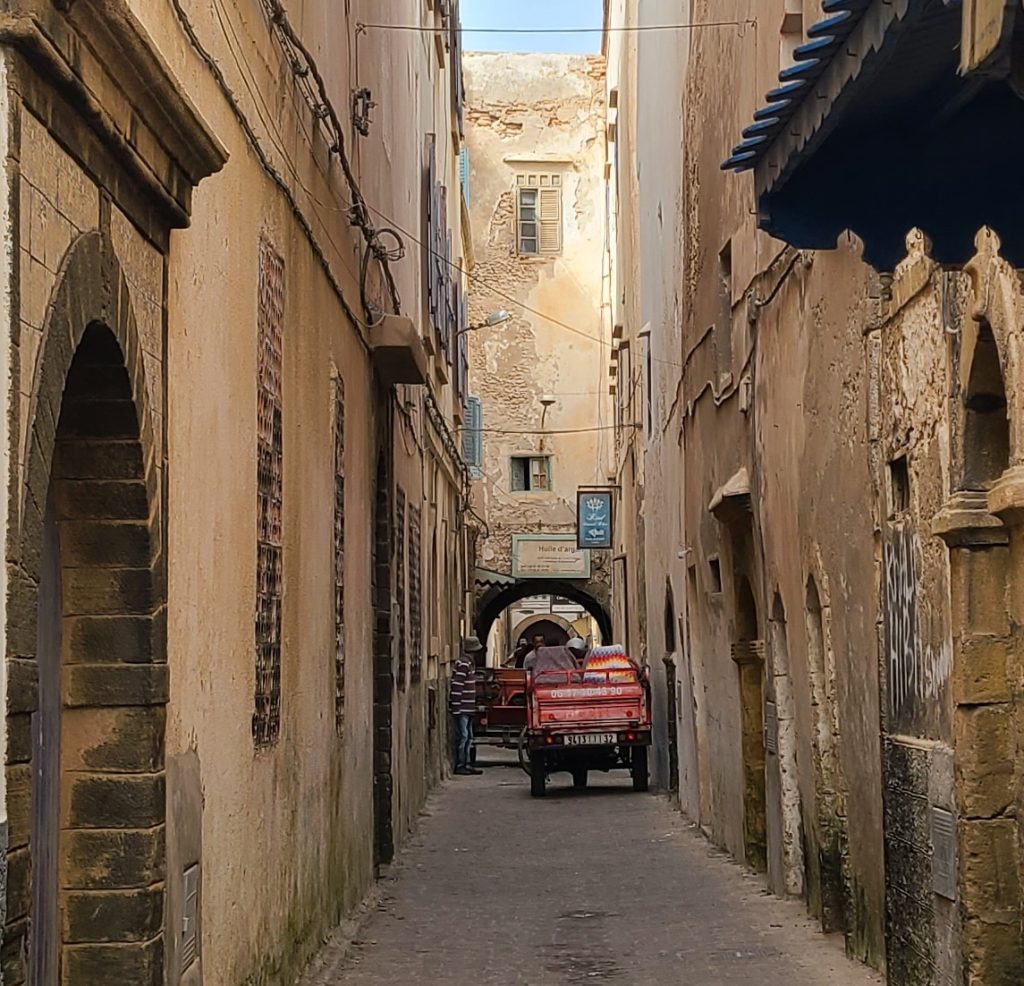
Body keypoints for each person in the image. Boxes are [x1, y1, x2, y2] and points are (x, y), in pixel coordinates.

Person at [450, 636, 483, 775]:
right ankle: (461, 764)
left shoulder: (468, 664)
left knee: (469, 736)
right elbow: (457, 686)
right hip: (463, 707)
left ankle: (467, 763)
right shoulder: (464, 664)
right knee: (464, 736)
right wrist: (456, 707)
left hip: (468, 707)